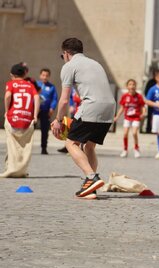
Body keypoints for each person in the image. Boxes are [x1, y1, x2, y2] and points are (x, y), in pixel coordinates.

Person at [51, 37, 116, 199]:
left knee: (71, 143)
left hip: (91, 106)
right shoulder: (95, 63)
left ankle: (91, 177)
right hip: (110, 108)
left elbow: (64, 99)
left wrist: (58, 121)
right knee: (89, 147)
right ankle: (90, 188)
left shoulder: (69, 66)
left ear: (66, 53)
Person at [1, 64, 40, 178]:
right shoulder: (30, 85)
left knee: (12, 145)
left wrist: (7, 110)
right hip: (27, 119)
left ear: (11, 75)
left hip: (13, 117)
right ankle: (21, 170)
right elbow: (37, 98)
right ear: (24, 74)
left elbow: (8, 96)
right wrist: (35, 116)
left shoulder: (11, 83)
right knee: (24, 147)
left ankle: (11, 169)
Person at [114, 79, 146, 158]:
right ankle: (125, 149)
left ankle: (136, 149)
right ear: (127, 86)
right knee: (125, 134)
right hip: (127, 118)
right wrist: (117, 116)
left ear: (135, 86)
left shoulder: (139, 96)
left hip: (136, 117)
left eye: (133, 84)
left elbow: (142, 106)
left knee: (134, 133)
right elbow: (122, 108)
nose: (132, 86)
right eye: (130, 84)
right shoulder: (125, 96)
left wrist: (143, 113)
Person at [36, 68, 58, 155]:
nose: (45, 77)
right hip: (35, 111)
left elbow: (54, 99)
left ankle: (44, 148)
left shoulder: (51, 87)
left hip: (45, 111)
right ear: (40, 75)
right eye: (43, 75)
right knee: (29, 129)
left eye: (46, 76)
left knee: (44, 130)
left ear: (49, 77)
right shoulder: (36, 85)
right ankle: (26, 148)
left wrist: (52, 108)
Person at [57, 87, 81, 154]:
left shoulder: (82, 87)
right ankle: (68, 147)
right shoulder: (73, 88)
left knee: (78, 131)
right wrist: (71, 105)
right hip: (75, 113)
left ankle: (78, 148)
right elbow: (70, 97)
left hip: (82, 113)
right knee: (71, 130)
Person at [143, 69, 157, 133]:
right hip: (151, 102)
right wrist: (148, 99)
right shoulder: (150, 82)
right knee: (150, 115)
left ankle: (156, 129)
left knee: (157, 116)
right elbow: (146, 91)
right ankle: (148, 129)